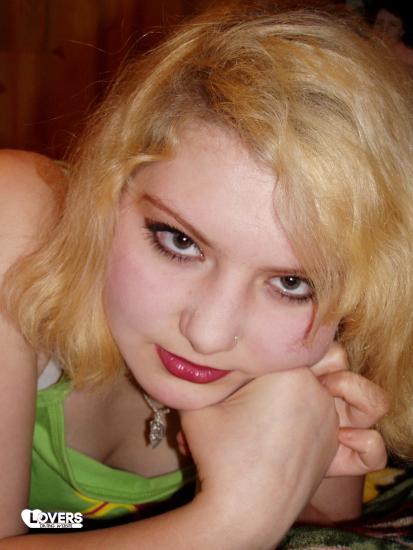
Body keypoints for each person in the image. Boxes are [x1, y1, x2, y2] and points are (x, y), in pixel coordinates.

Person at [2, 1, 412, 547]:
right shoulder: (19, 221)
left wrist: (307, 461)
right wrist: (229, 523)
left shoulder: (313, 342)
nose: (209, 335)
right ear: (110, 185)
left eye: (292, 283)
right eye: (179, 241)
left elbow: (326, 528)